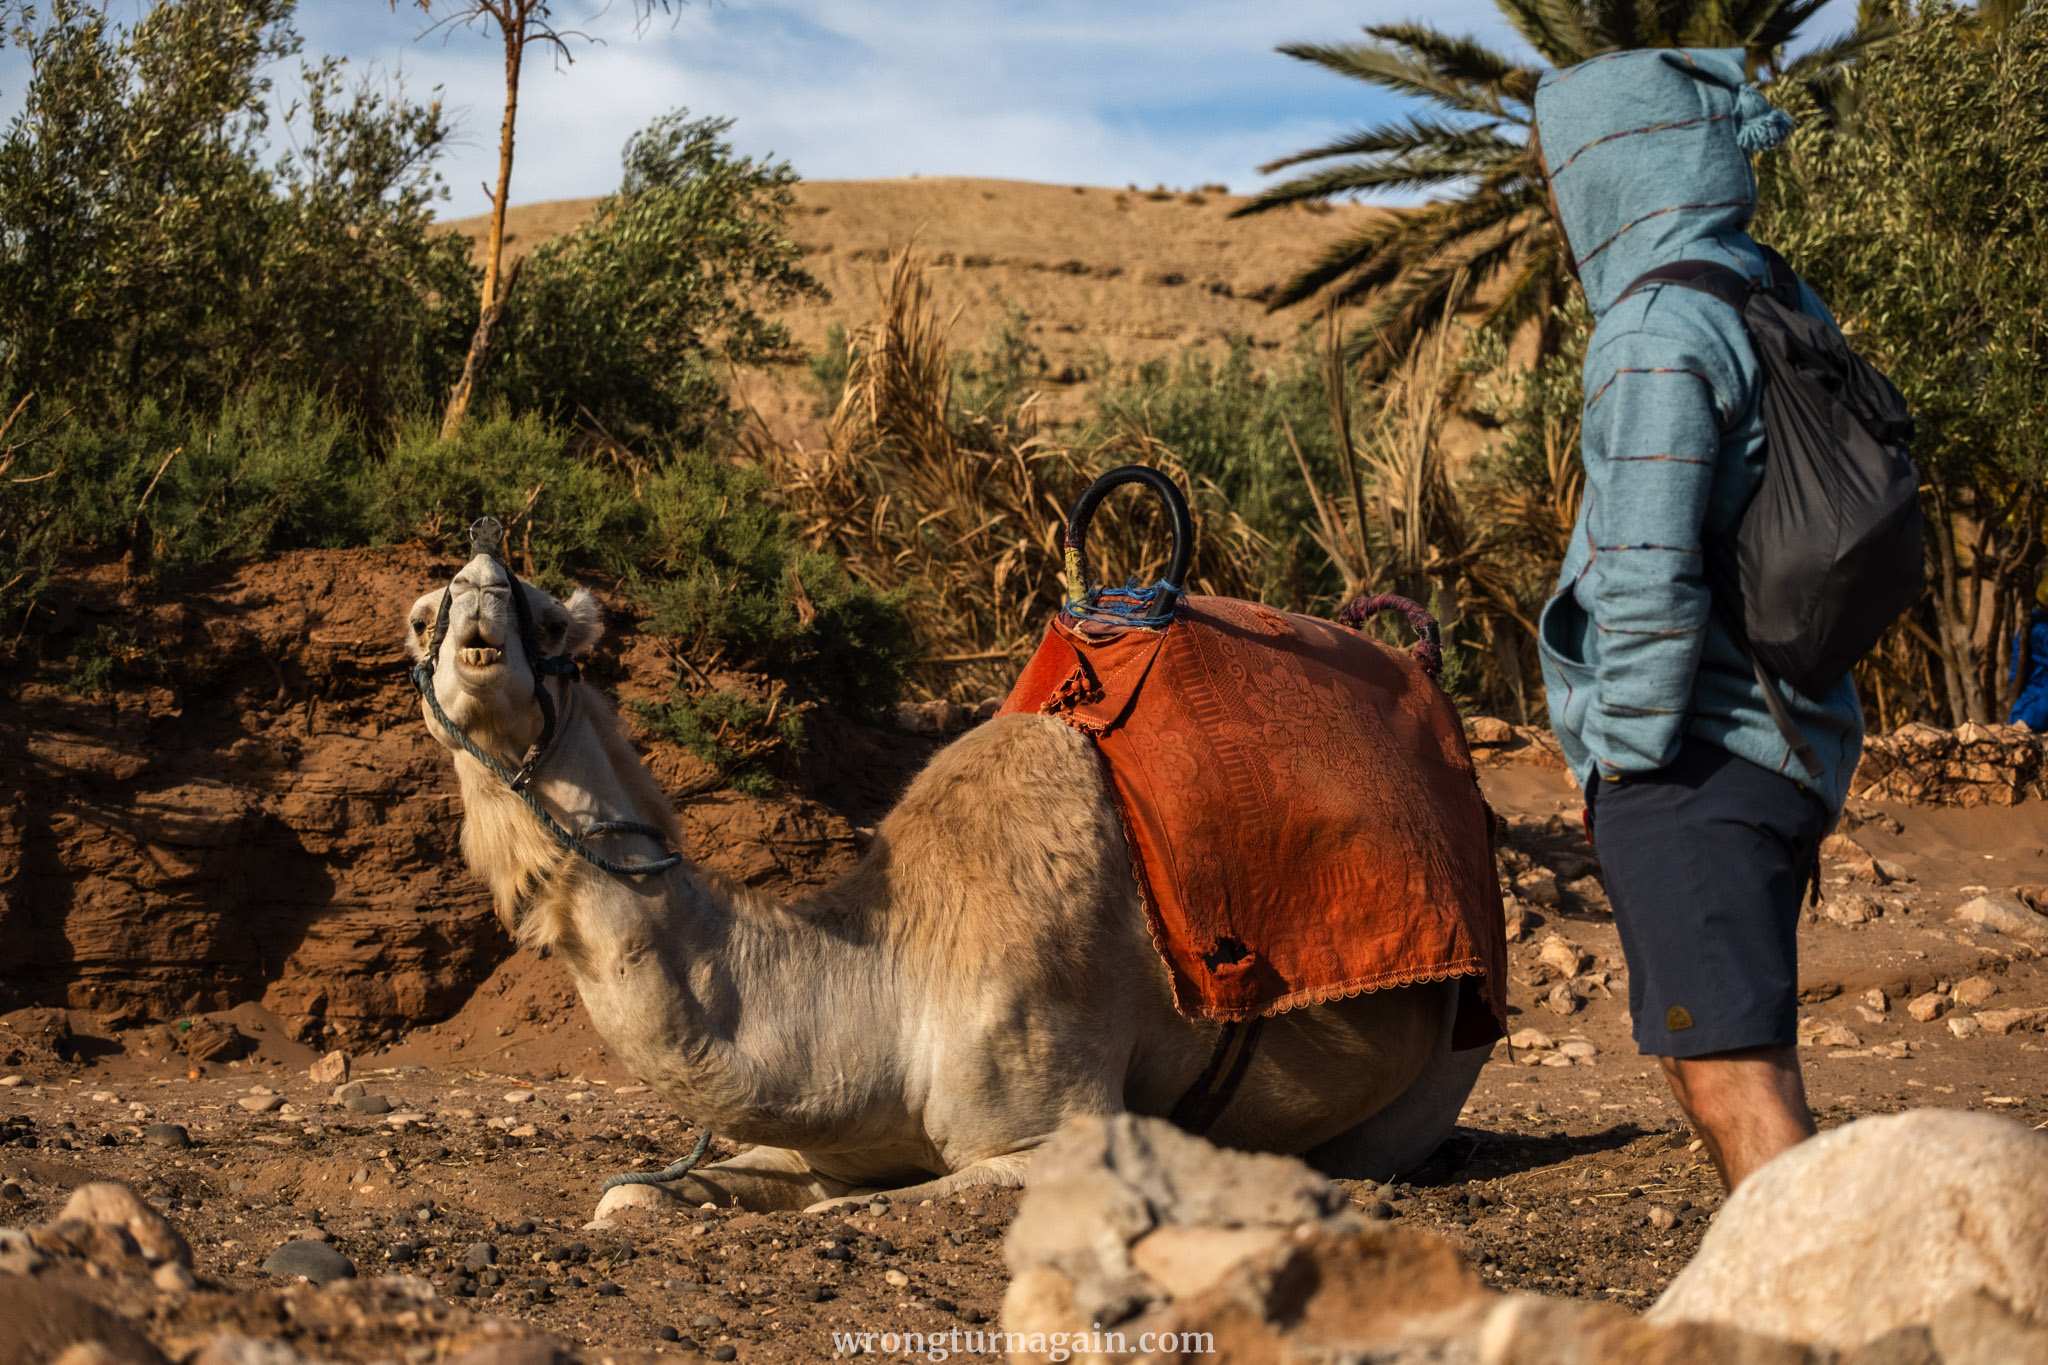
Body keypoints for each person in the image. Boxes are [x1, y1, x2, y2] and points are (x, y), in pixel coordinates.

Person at [1532, 50, 1864, 1190]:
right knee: (1710, 1059)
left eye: (1554, 170)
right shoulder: (1766, 289)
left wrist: (1618, 761)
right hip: (1789, 731)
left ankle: (1822, 1325)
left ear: (1607, 166)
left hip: (1697, 756)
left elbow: (1643, 572)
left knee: (1734, 1080)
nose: (1552, 200)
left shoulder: (1651, 331)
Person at [2009, 571, 2048, 731]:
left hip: (2026, 706)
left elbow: (2015, 671)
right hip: (2037, 711)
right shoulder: (2041, 630)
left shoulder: (2031, 624)